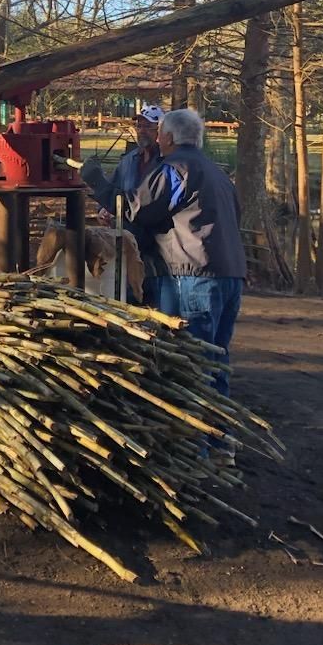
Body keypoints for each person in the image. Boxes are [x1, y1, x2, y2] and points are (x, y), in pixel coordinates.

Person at [120, 108, 247, 466]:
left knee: (193, 363)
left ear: (169, 138)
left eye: (160, 133)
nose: (156, 138)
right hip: (230, 275)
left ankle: (195, 453)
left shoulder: (174, 168)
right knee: (216, 360)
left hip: (193, 277)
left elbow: (140, 210)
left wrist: (100, 185)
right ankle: (221, 443)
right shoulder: (220, 176)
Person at [81, 105, 166, 304]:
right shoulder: (128, 160)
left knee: (154, 298)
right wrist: (103, 209)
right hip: (128, 241)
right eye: (139, 125)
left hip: (156, 246)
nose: (142, 130)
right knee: (128, 294)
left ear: (160, 131)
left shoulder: (166, 162)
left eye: (148, 126)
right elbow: (112, 188)